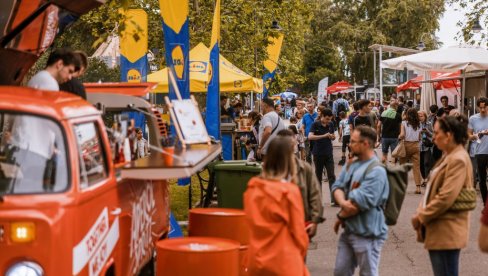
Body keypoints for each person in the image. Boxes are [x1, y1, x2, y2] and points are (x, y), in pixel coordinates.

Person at [411, 115, 473, 276]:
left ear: (449, 135)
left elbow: (446, 196)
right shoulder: (450, 155)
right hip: (441, 227)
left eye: (437, 132)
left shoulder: (457, 159)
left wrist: (421, 216)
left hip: (447, 228)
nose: (433, 136)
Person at [244, 137, 310, 276]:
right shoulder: (289, 192)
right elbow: (299, 233)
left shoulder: (252, 188)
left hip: (256, 260)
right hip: (284, 261)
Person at [331, 126, 389, 276]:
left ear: (366, 144)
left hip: (368, 233)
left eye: (353, 141)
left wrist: (341, 215)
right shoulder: (352, 163)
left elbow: (359, 203)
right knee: (340, 272)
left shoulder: (377, 171)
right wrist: (343, 203)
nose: (349, 144)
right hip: (349, 231)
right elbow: (337, 186)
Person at [277, 129, 324, 238]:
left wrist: (315, 220)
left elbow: (314, 195)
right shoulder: (270, 170)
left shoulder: (304, 168)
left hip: (301, 223)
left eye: (291, 142)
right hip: (277, 226)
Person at [308, 108, 336, 204]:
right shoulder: (315, 124)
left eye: (330, 119)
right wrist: (324, 136)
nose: (329, 121)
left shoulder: (331, 124)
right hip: (318, 153)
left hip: (328, 153)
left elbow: (332, 135)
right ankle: (318, 199)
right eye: (327, 119)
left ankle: (334, 199)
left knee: (331, 176)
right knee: (318, 177)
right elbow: (310, 137)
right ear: (322, 116)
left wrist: (332, 136)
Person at [468, 97, 488, 206]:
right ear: (478, 107)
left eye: (485, 107)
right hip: (480, 152)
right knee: (482, 179)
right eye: (480, 108)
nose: (483, 110)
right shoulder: (473, 119)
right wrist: (475, 136)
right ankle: (486, 204)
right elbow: (468, 135)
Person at [399, 108, 422, 194]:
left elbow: (402, 135)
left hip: (406, 146)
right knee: (416, 167)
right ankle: (418, 187)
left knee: (403, 166)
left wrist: (399, 137)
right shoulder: (419, 124)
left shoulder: (404, 123)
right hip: (416, 146)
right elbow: (419, 137)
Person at [419, 110, 434, 187]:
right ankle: (423, 178)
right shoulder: (416, 124)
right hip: (418, 146)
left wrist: (427, 132)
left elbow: (433, 135)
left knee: (426, 162)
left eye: (421, 116)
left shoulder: (429, 124)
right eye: (419, 116)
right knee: (421, 164)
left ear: (425, 116)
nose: (420, 118)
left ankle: (426, 179)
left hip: (427, 146)